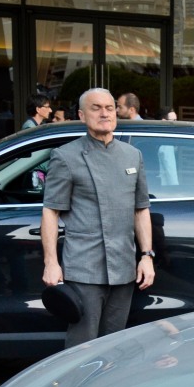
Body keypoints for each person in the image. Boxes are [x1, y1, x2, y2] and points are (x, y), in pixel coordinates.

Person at [41, 88, 155, 348]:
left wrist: (147, 256)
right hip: (84, 267)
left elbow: (141, 209)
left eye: (110, 107)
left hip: (124, 268)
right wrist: (51, 262)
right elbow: (51, 211)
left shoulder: (132, 155)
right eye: (96, 108)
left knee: (115, 343)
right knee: (83, 345)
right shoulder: (66, 156)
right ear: (82, 115)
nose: (105, 113)